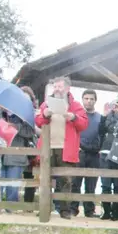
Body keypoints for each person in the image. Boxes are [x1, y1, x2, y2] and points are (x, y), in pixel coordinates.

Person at [35, 76, 88, 219]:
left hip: (66, 147)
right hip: (48, 146)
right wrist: (44, 115)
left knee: (66, 180)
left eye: (60, 87)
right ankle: (45, 207)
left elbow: (84, 124)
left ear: (67, 88)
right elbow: (38, 121)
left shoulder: (76, 105)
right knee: (45, 179)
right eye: (55, 87)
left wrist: (73, 117)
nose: (57, 89)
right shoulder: (46, 104)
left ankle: (64, 210)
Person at [69, 89, 102, 218]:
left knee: (91, 184)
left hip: (94, 154)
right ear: (82, 100)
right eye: (86, 98)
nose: (89, 101)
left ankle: (89, 211)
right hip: (79, 153)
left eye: (91, 99)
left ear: (95, 100)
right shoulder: (77, 116)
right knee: (75, 183)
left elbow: (102, 135)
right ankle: (73, 208)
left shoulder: (100, 118)